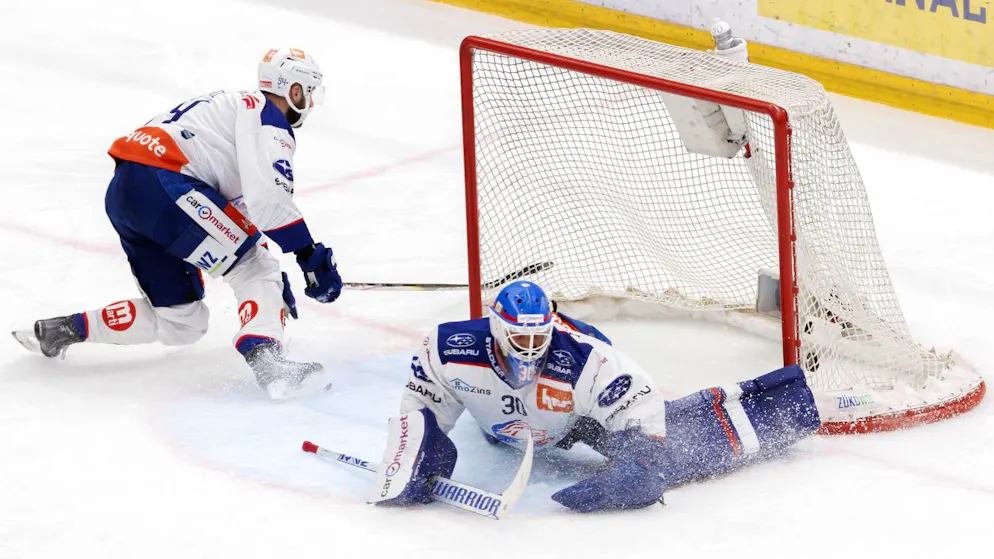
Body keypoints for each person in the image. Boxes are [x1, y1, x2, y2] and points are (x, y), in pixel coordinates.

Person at [10, 48, 342, 399]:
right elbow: (269, 203)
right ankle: (269, 363)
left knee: (182, 323)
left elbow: (239, 204)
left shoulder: (228, 104)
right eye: (308, 92)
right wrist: (309, 258)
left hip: (127, 193)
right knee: (255, 267)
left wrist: (268, 298)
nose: (310, 103)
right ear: (293, 90)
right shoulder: (268, 120)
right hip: (168, 187)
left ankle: (63, 329)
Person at [367, 281, 821, 512]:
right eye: (519, 340)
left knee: (682, 449)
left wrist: (643, 463)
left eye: (538, 338)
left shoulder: (588, 360)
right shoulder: (449, 347)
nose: (531, 350)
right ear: (496, 329)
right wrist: (415, 455)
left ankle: (787, 403)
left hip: (575, 420)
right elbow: (421, 407)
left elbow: (641, 403)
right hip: (502, 432)